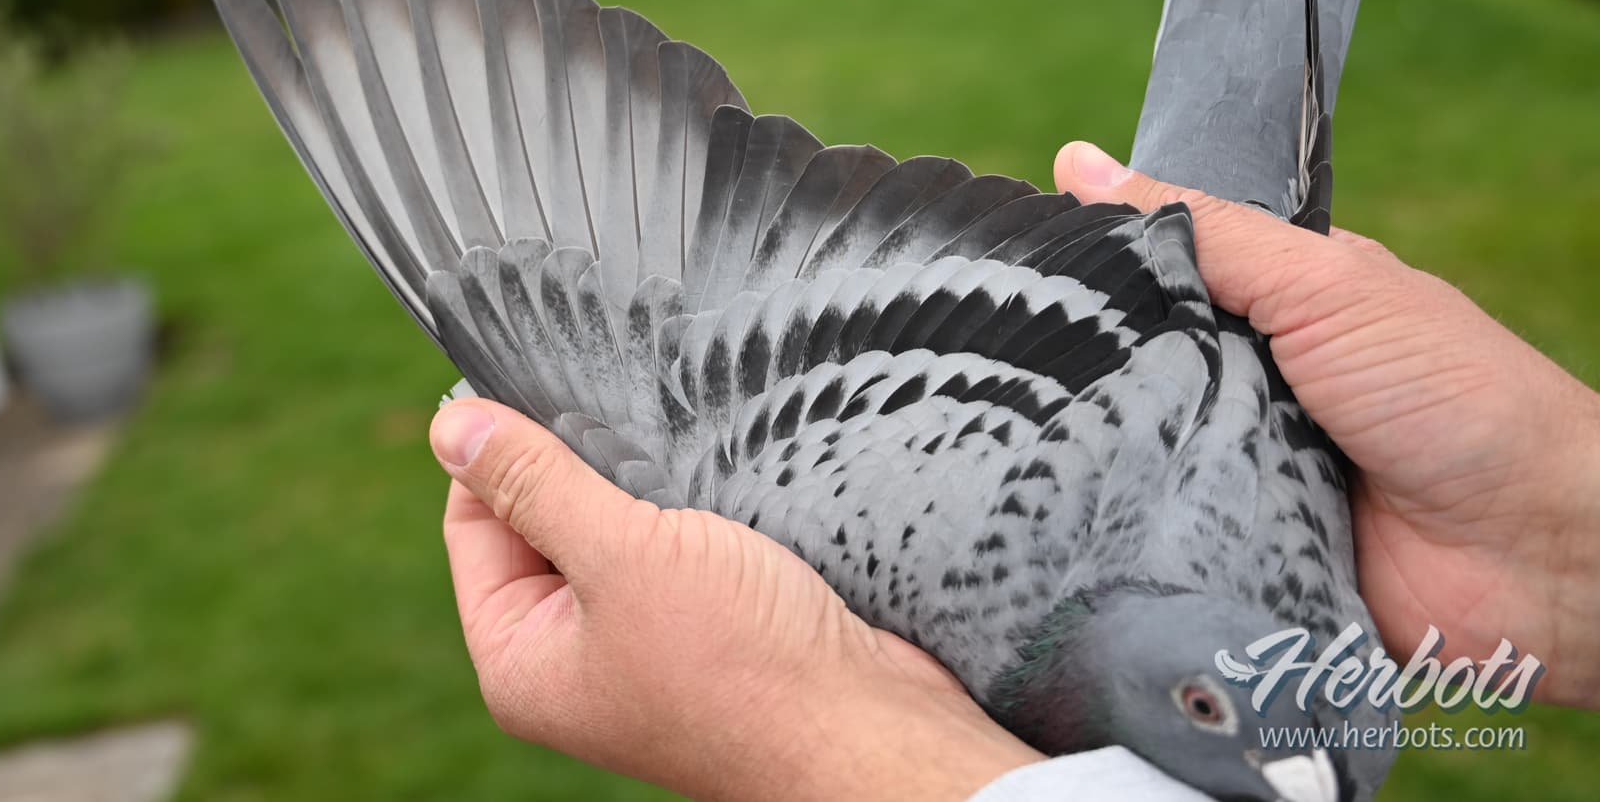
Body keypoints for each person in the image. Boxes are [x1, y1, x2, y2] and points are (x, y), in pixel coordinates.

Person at [427, 141, 1600, 801]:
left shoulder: (1330, 739)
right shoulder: (1347, 726)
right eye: (1210, 707)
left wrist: (812, 744)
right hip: (1205, 337)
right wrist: (1561, 543)